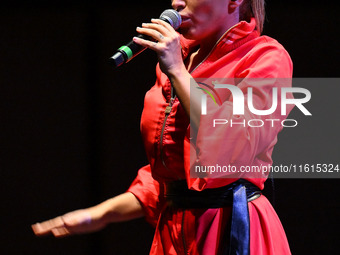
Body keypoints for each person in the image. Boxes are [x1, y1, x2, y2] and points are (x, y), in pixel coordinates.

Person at [32, 0, 293, 254]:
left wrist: (179, 73)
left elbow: (229, 149)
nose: (176, 3)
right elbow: (172, 174)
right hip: (173, 232)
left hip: (230, 229)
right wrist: (98, 214)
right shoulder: (179, 59)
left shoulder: (266, 58)